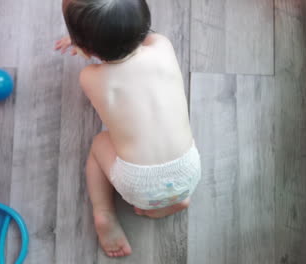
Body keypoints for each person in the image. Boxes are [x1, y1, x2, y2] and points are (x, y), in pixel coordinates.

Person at [56, 0, 201, 258]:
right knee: (165, 139)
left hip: (137, 184)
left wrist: (83, 45)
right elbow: (143, 36)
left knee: (99, 143)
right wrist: (88, 42)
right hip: (188, 171)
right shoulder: (163, 47)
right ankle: (173, 201)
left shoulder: (91, 77)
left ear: (85, 48)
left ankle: (104, 213)